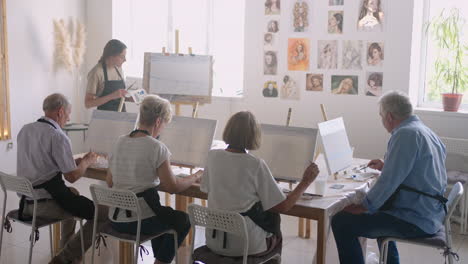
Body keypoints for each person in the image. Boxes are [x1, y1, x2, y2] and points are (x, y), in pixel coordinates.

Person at [331, 91, 447, 264]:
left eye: (381, 116)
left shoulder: (405, 134)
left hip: (415, 218)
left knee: (341, 221)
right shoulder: (424, 131)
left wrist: (363, 206)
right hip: (431, 212)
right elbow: (422, 169)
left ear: (389, 116)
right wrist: (387, 165)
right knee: (382, 208)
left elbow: (388, 183)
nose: (382, 121)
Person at [200, 111, 319, 257]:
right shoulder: (255, 164)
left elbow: (205, 189)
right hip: (246, 245)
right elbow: (283, 206)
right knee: (276, 232)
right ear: (254, 135)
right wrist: (305, 182)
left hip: (214, 241)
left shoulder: (212, 156)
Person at [106, 95, 202, 264]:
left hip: (115, 218)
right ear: (158, 122)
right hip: (138, 222)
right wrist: (195, 176)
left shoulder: (119, 142)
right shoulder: (156, 147)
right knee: (183, 220)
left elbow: (110, 181)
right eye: (164, 124)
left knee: (163, 215)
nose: (162, 129)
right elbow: (172, 187)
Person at [16, 93, 107, 264]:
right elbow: (72, 176)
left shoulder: (25, 129)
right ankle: (64, 258)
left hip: (26, 203)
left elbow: (41, 161)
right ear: (60, 112)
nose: (69, 118)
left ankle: (66, 251)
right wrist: (86, 161)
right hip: (44, 206)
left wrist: (72, 161)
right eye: (68, 113)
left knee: (72, 193)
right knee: (103, 214)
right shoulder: (57, 136)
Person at [85, 39, 129, 111]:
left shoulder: (119, 69)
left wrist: (132, 98)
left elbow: (119, 97)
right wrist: (112, 96)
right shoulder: (96, 72)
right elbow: (88, 103)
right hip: (104, 119)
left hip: (121, 117)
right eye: (122, 56)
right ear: (111, 56)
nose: (125, 60)